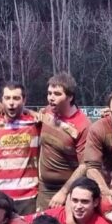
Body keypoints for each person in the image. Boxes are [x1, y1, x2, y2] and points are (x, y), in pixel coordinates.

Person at [0, 82, 42, 215]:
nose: (11, 103)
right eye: (7, 98)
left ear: (24, 100)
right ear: (2, 100)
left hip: (28, 196)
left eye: (16, 98)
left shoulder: (35, 123)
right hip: (0, 195)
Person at [37, 72, 90, 210]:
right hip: (43, 189)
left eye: (57, 94)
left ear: (70, 97)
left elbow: (84, 165)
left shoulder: (83, 125)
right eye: (49, 93)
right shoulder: (46, 112)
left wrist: (64, 192)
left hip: (68, 191)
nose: (51, 98)